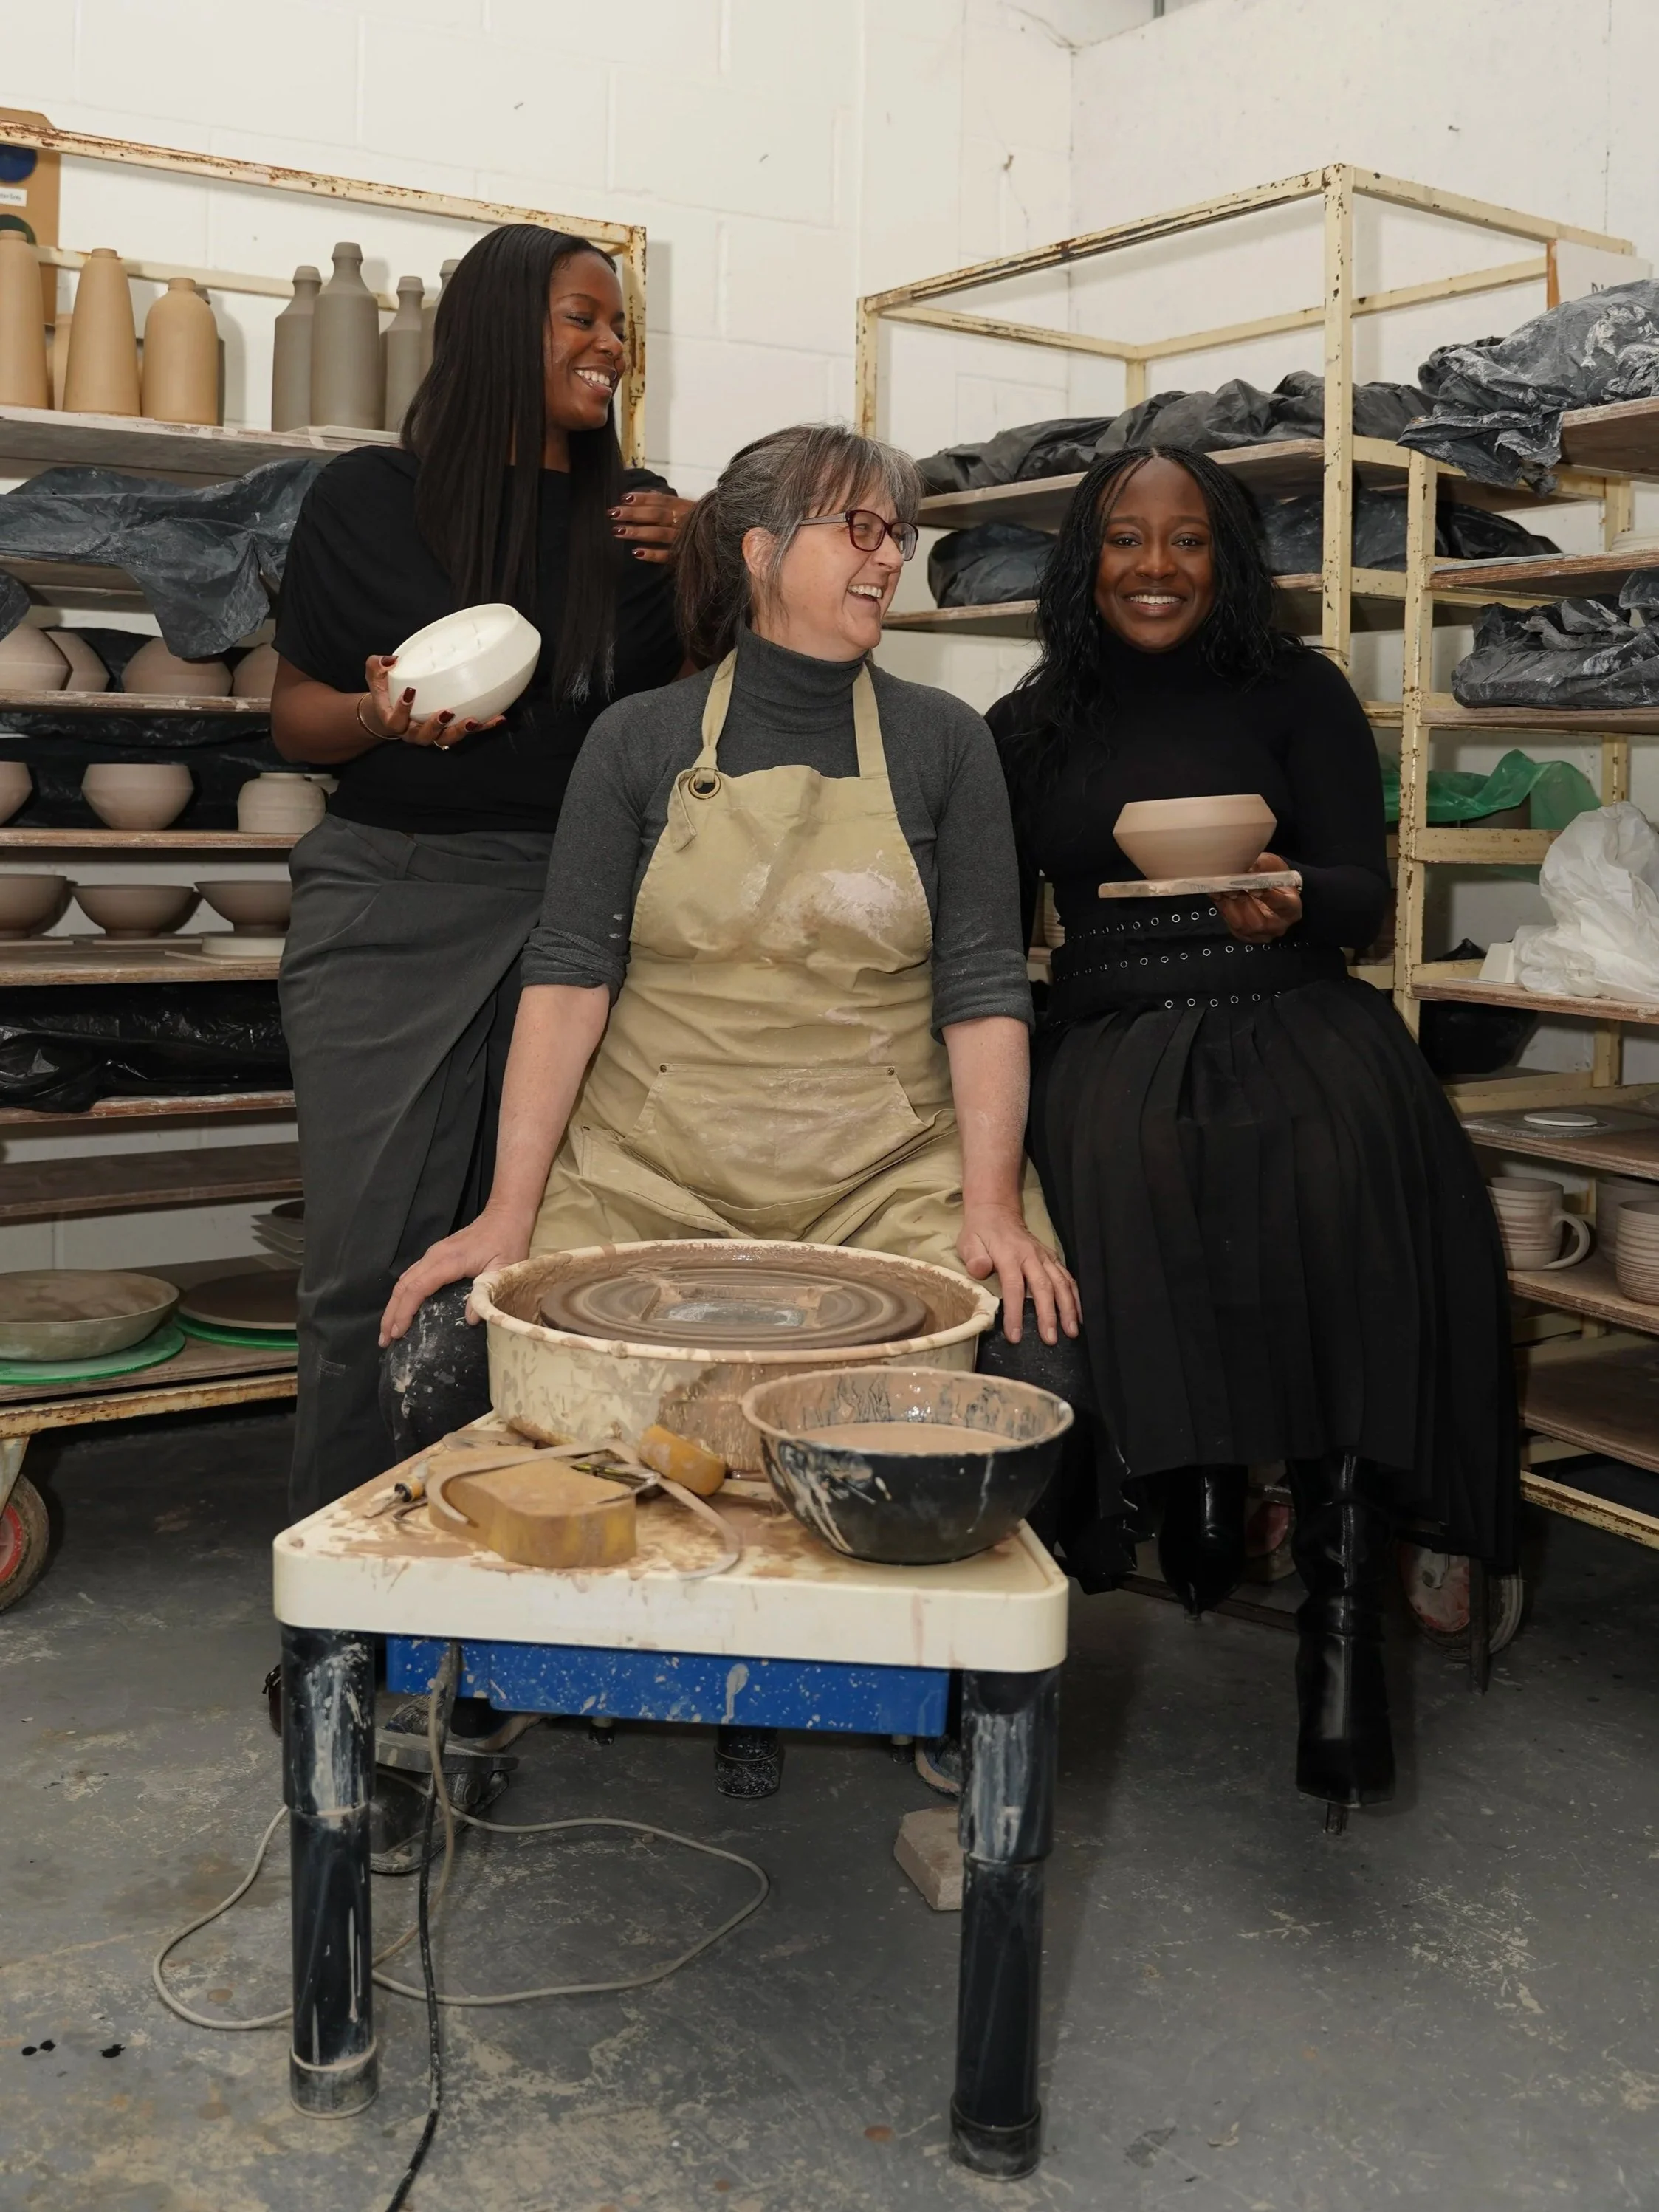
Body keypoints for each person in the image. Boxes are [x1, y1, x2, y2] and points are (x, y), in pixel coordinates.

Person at [989, 443, 1518, 1816]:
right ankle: (1193, 1482)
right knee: (1124, 1165)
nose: (1154, 566)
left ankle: (1342, 1619)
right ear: (1081, 557)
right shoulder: (1026, 724)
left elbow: (1361, 897)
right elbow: (985, 944)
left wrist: (1295, 893)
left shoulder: (1296, 689)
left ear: (1225, 557)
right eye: (1123, 538)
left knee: (1337, 1169)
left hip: (1285, 999)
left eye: (1186, 540)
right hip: (1108, 1029)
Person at [381, 420, 1075, 1346]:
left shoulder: (945, 741)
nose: (890, 556)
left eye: (898, 533)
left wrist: (992, 1207)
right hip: (649, 1172)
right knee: (454, 1349)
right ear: (761, 550)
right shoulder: (639, 739)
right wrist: (510, 1210)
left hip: (889, 1172)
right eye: (858, 529)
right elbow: (570, 975)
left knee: (1031, 1353)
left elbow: (985, 983)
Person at [271, 223, 690, 1520]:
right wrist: (379, 715)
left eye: (618, 326)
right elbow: (293, 719)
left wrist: (714, 560)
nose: (609, 347)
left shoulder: (641, 524)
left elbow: (689, 723)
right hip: (393, 893)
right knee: (364, 1266)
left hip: (586, 905)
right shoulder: (368, 498)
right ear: (501, 326)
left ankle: (519, 1563)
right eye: (581, 318)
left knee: (563, 1263)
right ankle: (347, 1597)